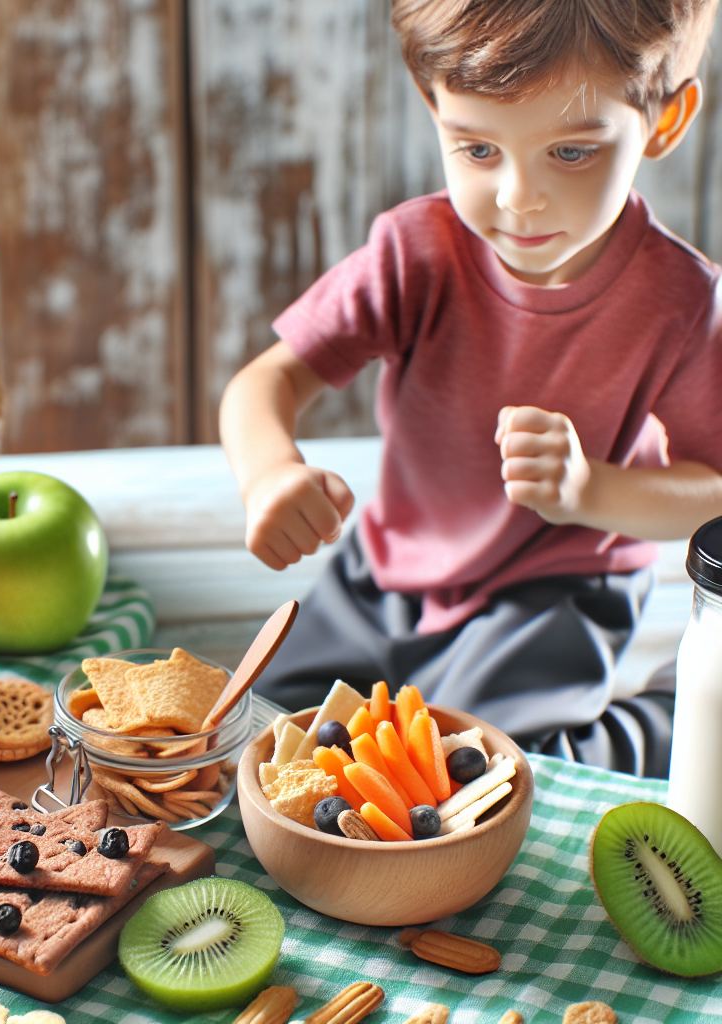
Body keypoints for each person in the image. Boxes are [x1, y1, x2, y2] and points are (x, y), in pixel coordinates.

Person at [219, 0, 722, 778]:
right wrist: (270, 474)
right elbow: (266, 381)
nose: (520, 198)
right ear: (433, 106)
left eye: (572, 153)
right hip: (382, 570)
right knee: (269, 740)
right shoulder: (415, 252)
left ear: (665, 118)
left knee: (486, 773)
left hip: (552, 592)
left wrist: (590, 491)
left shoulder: (682, 304)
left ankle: (660, 724)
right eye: (479, 148)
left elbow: (714, 489)